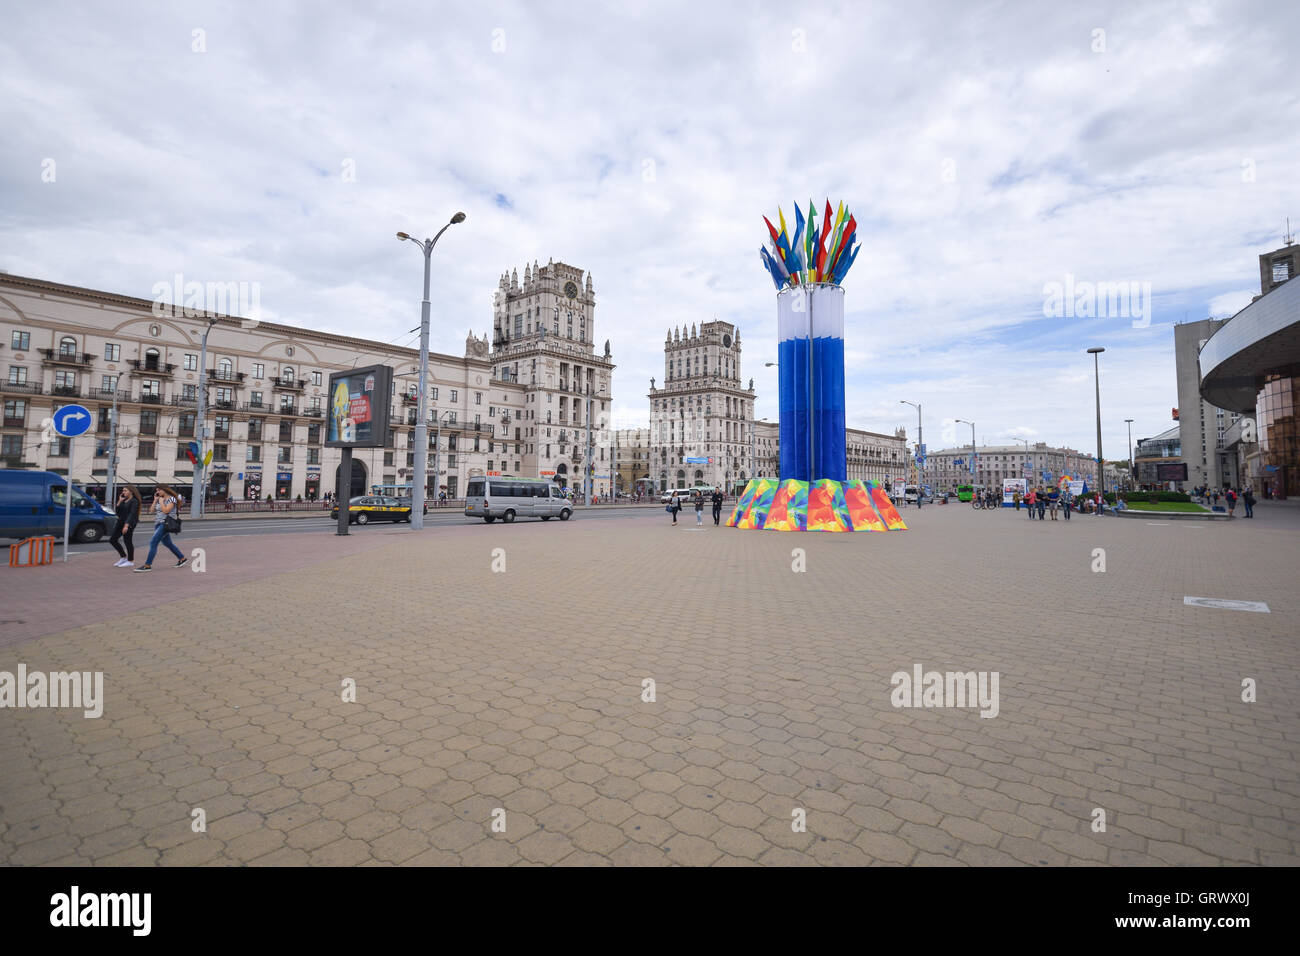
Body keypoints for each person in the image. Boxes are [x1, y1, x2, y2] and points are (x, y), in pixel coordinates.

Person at [135, 483, 187, 572]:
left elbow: (166, 511)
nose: (157, 492)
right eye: (156, 491)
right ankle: (182, 558)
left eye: (159, 490)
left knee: (153, 543)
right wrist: (155, 500)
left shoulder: (172, 499)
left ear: (165, 490)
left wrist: (162, 502)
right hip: (158, 523)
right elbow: (151, 511)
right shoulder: (160, 499)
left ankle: (147, 565)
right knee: (168, 543)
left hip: (165, 524)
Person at [108, 486, 141, 567]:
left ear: (131, 492)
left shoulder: (134, 501)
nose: (123, 492)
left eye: (125, 490)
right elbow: (118, 512)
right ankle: (123, 557)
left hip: (129, 523)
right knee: (112, 540)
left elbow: (132, 514)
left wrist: (126, 525)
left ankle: (130, 561)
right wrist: (119, 501)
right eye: (123, 490)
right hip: (120, 522)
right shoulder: (124, 500)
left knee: (127, 541)